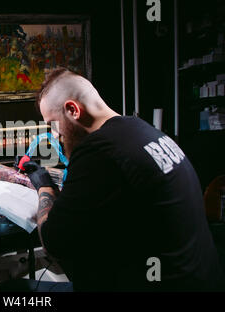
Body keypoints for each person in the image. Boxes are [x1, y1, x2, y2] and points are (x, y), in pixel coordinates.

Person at [20, 67, 224, 291]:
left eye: (52, 124)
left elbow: (53, 242)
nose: (55, 135)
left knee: (14, 290)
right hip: (198, 279)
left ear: (72, 110)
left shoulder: (98, 150)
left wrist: (44, 186)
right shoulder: (144, 131)